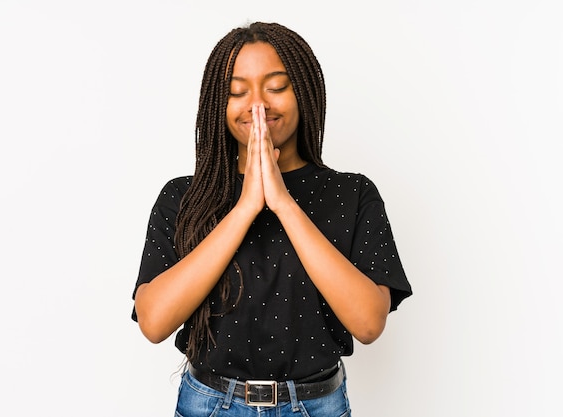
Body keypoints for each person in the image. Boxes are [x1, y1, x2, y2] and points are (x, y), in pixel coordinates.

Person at [131, 21, 412, 417]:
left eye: (277, 87)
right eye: (236, 91)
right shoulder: (183, 196)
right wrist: (246, 207)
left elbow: (368, 323)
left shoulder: (352, 194)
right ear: (217, 103)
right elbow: (154, 322)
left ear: (304, 93)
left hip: (316, 406)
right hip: (210, 404)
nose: (257, 105)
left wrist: (282, 203)